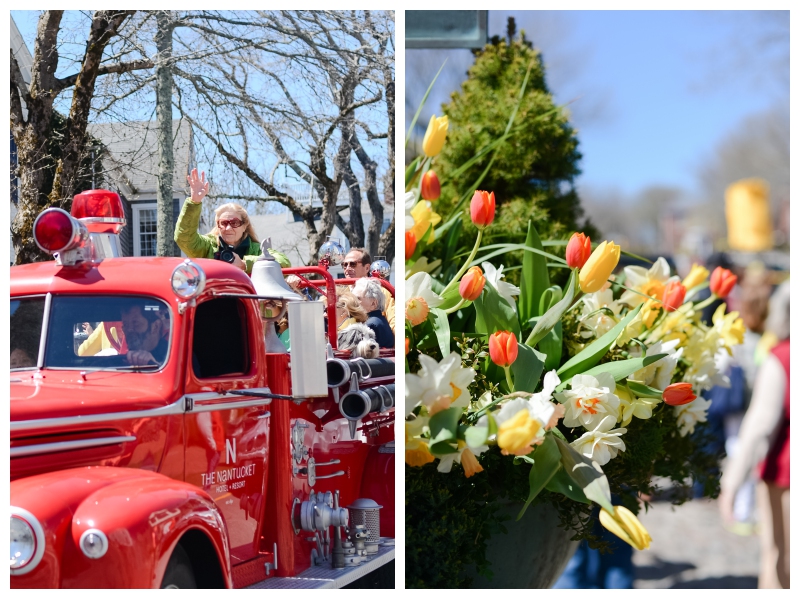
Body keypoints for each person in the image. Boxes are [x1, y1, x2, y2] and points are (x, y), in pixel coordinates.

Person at [719, 280, 789, 589]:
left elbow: (760, 424)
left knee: (779, 558)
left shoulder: (783, 356)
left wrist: (730, 485)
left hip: (785, 476)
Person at [175, 168, 290, 274]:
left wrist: (245, 264)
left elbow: (284, 263)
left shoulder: (256, 250)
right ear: (218, 225)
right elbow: (184, 237)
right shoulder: (207, 247)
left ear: (244, 225)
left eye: (234, 223)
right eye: (223, 223)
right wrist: (194, 202)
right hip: (215, 295)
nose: (228, 228)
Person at [342, 247, 395, 333]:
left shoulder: (382, 291)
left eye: (352, 264)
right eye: (344, 265)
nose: (347, 269)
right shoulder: (340, 294)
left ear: (367, 268)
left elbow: (394, 323)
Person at [352, 278, 393, 349]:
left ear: (373, 303)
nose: (352, 302)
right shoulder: (379, 320)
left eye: (358, 299)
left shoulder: (370, 325)